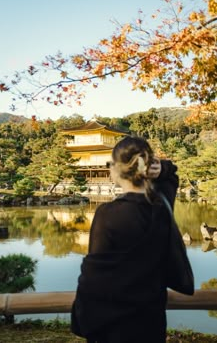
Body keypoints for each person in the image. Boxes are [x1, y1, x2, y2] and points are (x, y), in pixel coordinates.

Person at [71, 136, 179, 343]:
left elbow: (93, 275)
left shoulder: (108, 213)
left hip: (114, 322)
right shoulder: (161, 206)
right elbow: (171, 176)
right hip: (151, 317)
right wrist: (162, 169)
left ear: (116, 169)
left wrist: (81, 320)